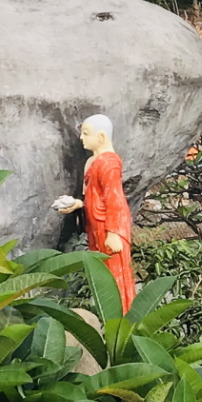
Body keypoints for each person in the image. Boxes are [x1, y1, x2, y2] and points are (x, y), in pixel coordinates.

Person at [51, 115, 134, 311]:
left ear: (102, 137)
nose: (81, 137)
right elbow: (95, 195)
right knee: (101, 274)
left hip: (110, 228)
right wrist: (78, 204)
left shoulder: (109, 163)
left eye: (86, 133)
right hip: (97, 226)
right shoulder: (93, 162)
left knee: (116, 275)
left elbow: (114, 199)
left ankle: (122, 319)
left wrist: (113, 233)